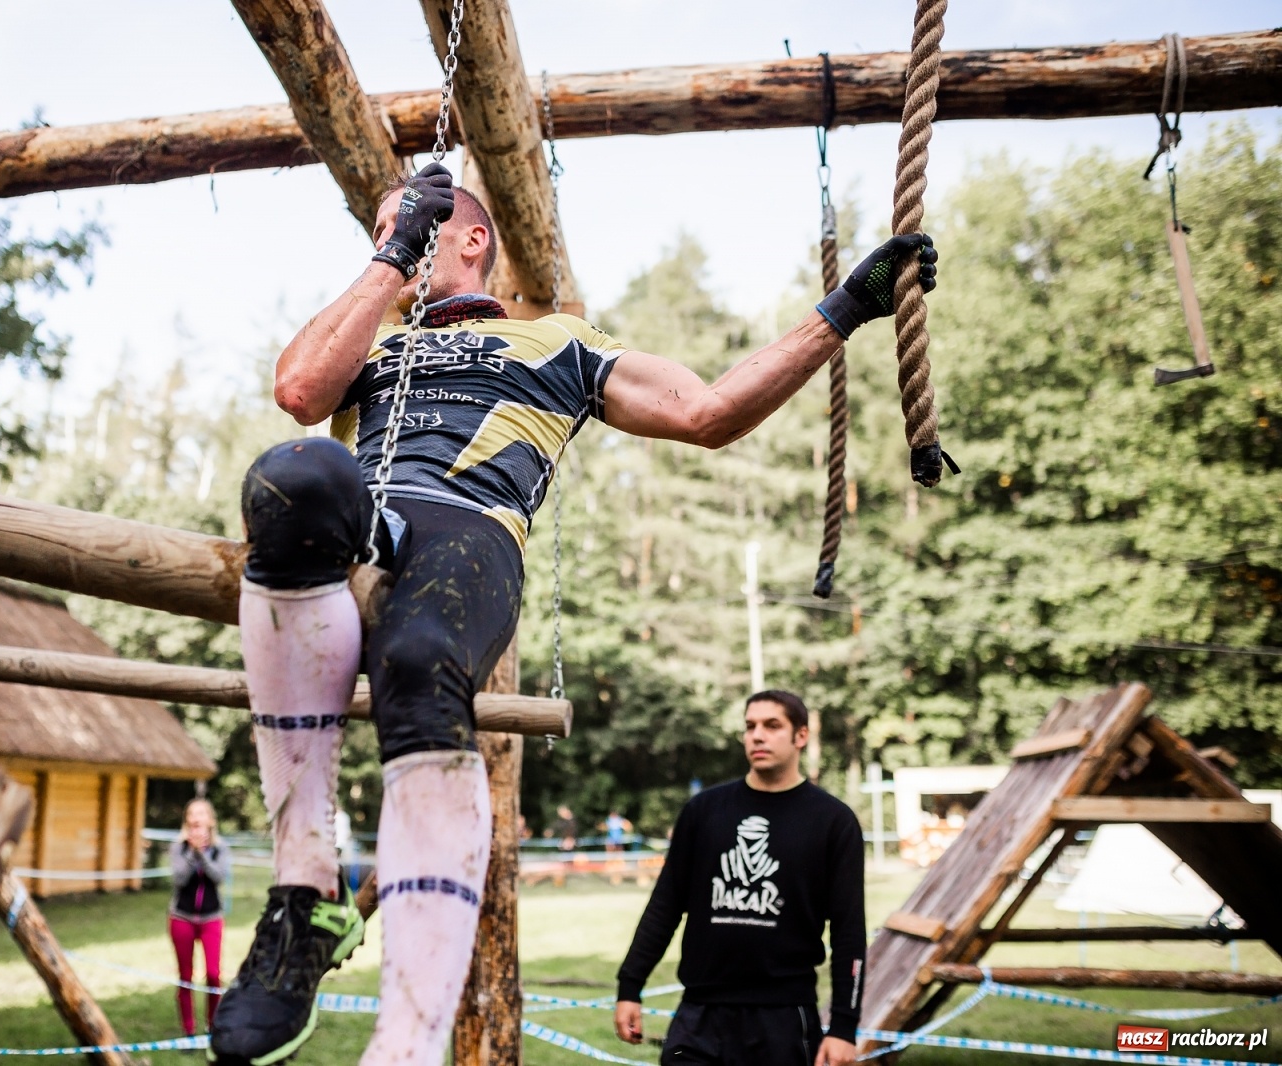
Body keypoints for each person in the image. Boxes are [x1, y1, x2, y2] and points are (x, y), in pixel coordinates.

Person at [211, 162, 933, 1066]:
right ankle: (304, 890)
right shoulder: (375, 339)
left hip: (469, 532)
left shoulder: (561, 342)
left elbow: (708, 411)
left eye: (415, 227)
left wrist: (844, 311)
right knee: (296, 475)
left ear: (472, 238)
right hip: (367, 521)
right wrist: (395, 253)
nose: (387, 249)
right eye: (381, 236)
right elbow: (299, 394)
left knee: (419, 657)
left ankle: (409, 1042)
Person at [613, 691, 865, 1066]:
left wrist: (844, 1026)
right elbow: (665, 905)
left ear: (801, 736)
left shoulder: (832, 821)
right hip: (697, 1018)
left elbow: (848, 931)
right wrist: (630, 986)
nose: (757, 736)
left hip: (783, 1019)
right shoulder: (704, 811)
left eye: (772, 725)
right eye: (750, 726)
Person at [170, 797, 231, 1040]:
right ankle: (188, 1030)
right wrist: (192, 853)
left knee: (214, 974)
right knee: (185, 976)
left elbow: (218, 877)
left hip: (211, 919)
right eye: (192, 814)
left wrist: (203, 855)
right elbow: (179, 879)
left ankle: (212, 1025)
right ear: (187, 820)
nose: (196, 818)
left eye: (201, 813)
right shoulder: (178, 848)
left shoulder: (221, 848)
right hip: (181, 918)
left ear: (210, 820)